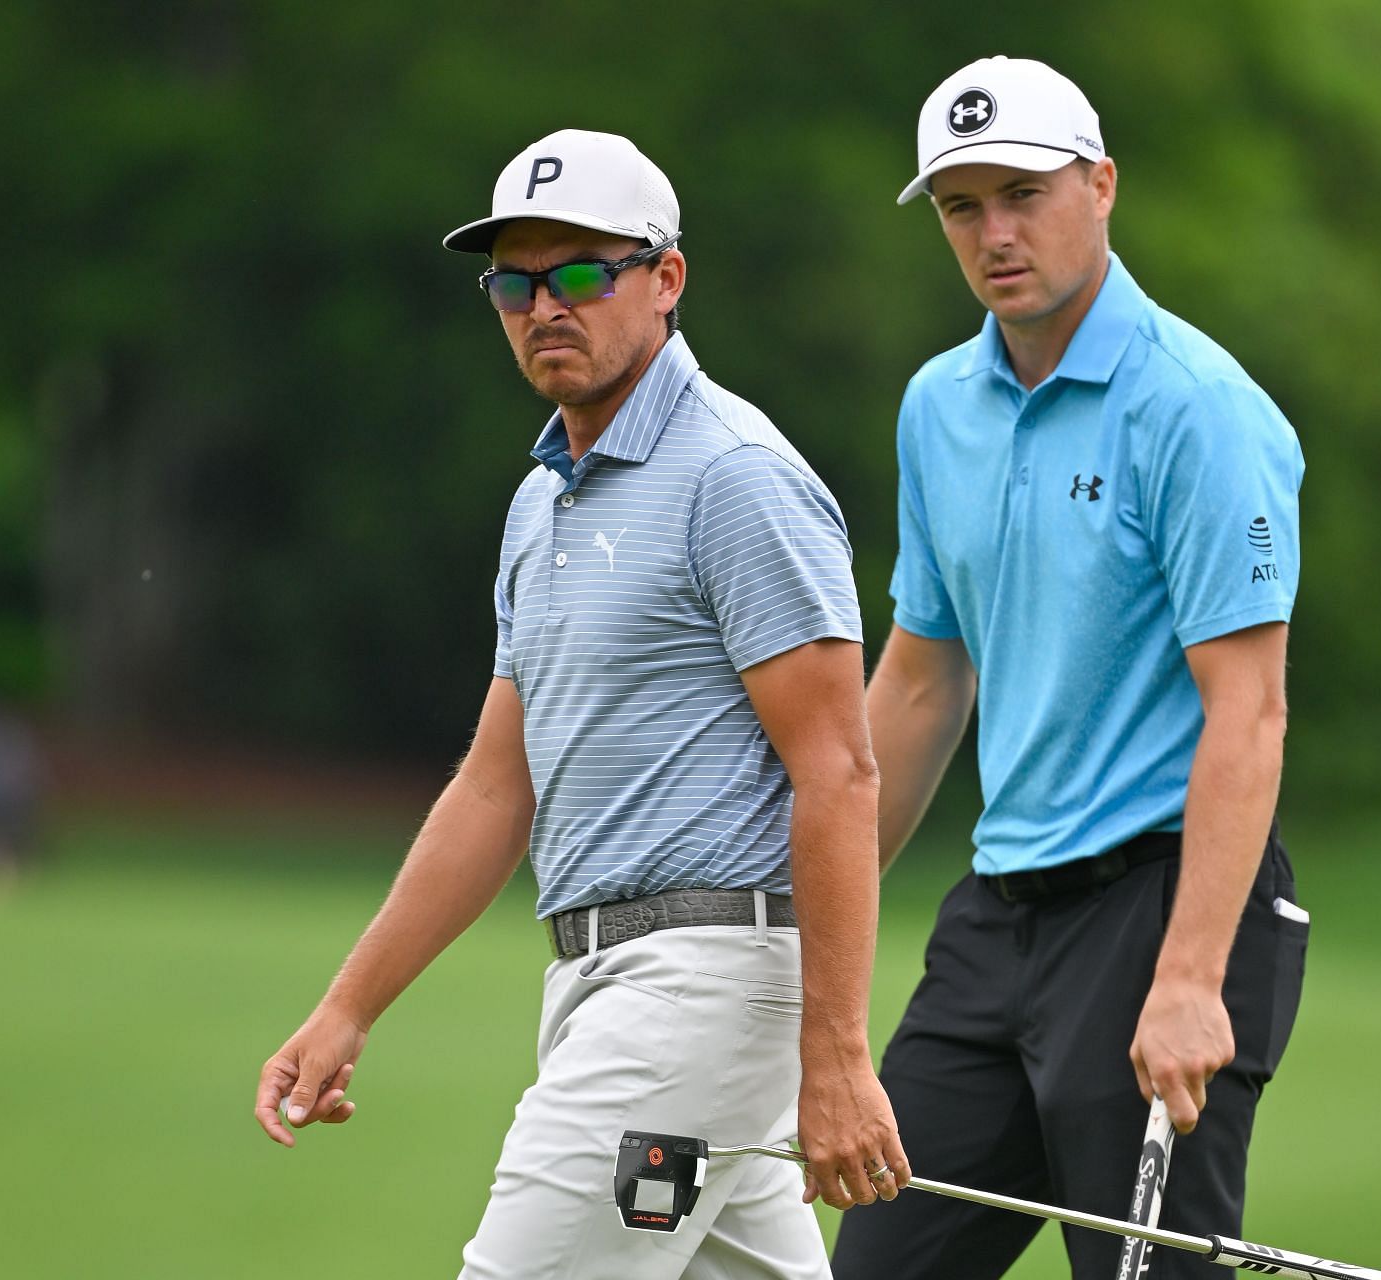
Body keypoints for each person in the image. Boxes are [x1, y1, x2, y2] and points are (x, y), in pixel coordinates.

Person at [254, 129, 907, 1280]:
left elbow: (840, 770)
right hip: (598, 980)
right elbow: (496, 786)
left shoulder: (736, 476)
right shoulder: (538, 503)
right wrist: (348, 1006)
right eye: (516, 281)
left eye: (584, 272)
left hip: (695, 995)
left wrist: (839, 1052)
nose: (545, 304)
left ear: (667, 279)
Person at [830, 58, 1309, 1279]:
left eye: (1024, 194)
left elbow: (1247, 714)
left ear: (1101, 186)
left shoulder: (1198, 408)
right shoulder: (939, 405)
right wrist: (805, 914)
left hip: (1163, 913)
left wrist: (1192, 978)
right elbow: (925, 682)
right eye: (961, 205)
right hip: (998, 920)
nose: (995, 233)